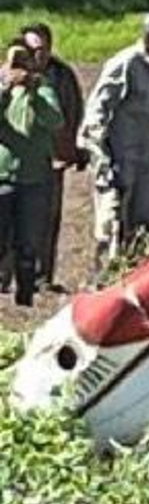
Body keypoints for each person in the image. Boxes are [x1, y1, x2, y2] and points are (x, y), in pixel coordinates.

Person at [78, 9, 149, 279]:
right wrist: (103, 160)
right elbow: (95, 115)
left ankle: (135, 280)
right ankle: (105, 283)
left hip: (147, 159)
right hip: (120, 159)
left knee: (145, 225)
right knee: (113, 225)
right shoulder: (124, 64)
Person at [21, 23, 86, 291]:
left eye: (43, 49)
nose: (39, 56)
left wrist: (72, 147)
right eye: (33, 50)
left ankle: (43, 276)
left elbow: (73, 110)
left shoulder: (61, 76)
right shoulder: (8, 74)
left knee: (48, 218)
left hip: (50, 158)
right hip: (15, 160)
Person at [0, 38, 64, 306]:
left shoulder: (44, 90)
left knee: (28, 242)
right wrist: (5, 89)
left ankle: (25, 294)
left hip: (34, 176)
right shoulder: (3, 90)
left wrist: (33, 91)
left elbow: (55, 120)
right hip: (4, 175)